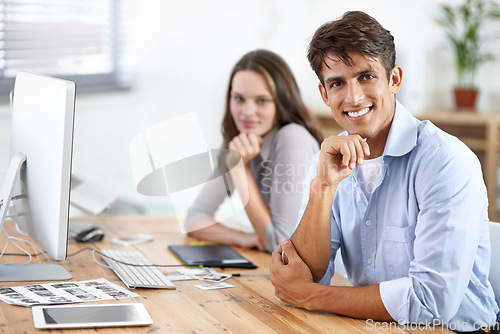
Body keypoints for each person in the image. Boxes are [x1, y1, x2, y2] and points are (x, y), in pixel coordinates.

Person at [269, 11, 499, 331]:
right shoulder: (330, 161)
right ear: (324, 94)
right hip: (372, 326)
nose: (353, 97)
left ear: (394, 80)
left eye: (366, 76)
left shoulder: (446, 161)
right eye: (337, 83)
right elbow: (305, 273)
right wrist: (323, 187)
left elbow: (430, 302)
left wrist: (311, 296)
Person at [185, 49, 322, 253]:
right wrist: (243, 238)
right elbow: (194, 218)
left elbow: (280, 244)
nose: (247, 112)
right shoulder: (241, 141)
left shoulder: (293, 138)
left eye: (261, 100)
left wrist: (240, 169)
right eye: (239, 99)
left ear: (281, 102)